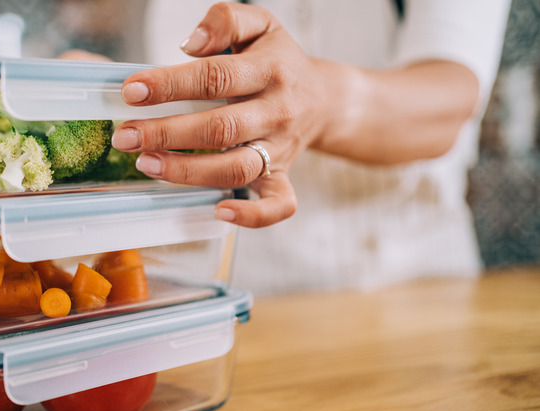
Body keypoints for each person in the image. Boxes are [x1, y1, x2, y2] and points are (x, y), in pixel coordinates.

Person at [69, 0, 511, 293]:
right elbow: (201, 95)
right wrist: (117, 97)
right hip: (233, 289)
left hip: (413, 290)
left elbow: (450, 99)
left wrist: (318, 100)